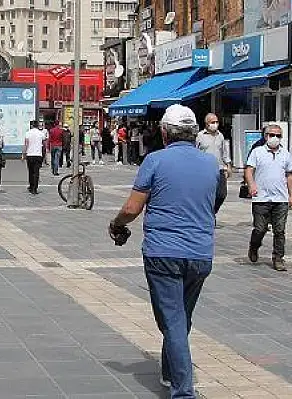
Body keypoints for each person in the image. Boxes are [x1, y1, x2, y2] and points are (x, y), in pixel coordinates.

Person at [108, 104, 217, 398]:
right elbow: (214, 200)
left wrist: (116, 222)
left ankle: (183, 392)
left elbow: (132, 208)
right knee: (181, 317)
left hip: (163, 253)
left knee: (171, 320)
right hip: (200, 253)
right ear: (195, 133)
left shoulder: (155, 161)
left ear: (164, 132)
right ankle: (170, 372)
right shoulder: (211, 164)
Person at [245, 124, 292, 271]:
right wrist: (251, 185)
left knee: (279, 230)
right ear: (266, 136)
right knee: (260, 229)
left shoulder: (285, 154)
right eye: (271, 135)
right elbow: (249, 170)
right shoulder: (257, 152)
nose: (274, 138)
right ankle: (254, 247)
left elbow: (290, 175)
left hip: (280, 198)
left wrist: (291, 195)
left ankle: (278, 258)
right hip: (261, 197)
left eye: (278, 136)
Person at [196, 113, 232, 214]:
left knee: (221, 194)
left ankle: (212, 212)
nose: (215, 124)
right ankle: (207, 213)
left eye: (217, 122)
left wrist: (228, 165)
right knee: (206, 194)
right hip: (204, 170)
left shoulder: (220, 135)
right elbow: (194, 151)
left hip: (219, 169)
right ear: (207, 124)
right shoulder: (199, 136)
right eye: (213, 122)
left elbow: (224, 152)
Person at [22, 120, 47, 195]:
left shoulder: (27, 133)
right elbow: (44, 140)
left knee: (30, 171)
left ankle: (31, 186)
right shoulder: (41, 133)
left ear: (31, 126)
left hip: (30, 155)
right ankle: (35, 189)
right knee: (36, 172)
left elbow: (26, 144)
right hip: (38, 155)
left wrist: (23, 154)